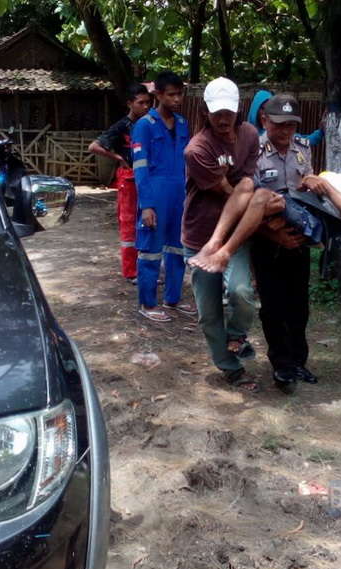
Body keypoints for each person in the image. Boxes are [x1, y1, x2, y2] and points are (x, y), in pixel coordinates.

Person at [252, 94, 341, 393]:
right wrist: (274, 235)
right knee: (272, 306)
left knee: (298, 305)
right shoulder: (254, 151)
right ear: (265, 121)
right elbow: (250, 205)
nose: (285, 131)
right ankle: (281, 365)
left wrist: (313, 186)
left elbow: (306, 196)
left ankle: (299, 361)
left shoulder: (302, 147)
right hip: (268, 239)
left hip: (299, 239)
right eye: (279, 124)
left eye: (291, 125)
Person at [183, 77, 272, 391]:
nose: (223, 119)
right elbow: (228, 191)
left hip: (236, 235)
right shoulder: (197, 149)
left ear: (238, 110)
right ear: (205, 111)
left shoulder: (249, 135)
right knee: (208, 314)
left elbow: (247, 181)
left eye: (229, 113)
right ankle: (230, 367)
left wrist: (249, 206)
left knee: (241, 292)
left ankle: (237, 335)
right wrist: (252, 204)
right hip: (200, 234)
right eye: (217, 113)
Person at [188, 157, 341, 273]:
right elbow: (304, 187)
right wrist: (309, 181)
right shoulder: (331, 173)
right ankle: (214, 242)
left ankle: (224, 253)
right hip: (296, 203)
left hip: (312, 221)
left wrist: (326, 186)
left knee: (262, 196)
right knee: (246, 183)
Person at [131, 71, 196, 322]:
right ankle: (147, 304)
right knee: (150, 250)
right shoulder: (144, 125)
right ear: (158, 94)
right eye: (171, 95)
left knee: (177, 248)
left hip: (179, 195)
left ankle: (173, 299)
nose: (177, 99)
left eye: (180, 94)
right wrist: (147, 205)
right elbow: (140, 168)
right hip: (154, 195)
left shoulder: (182, 123)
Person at [88, 83, 152, 284]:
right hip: (129, 178)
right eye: (141, 103)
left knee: (148, 222)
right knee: (129, 224)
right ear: (130, 103)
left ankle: (146, 269)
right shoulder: (121, 126)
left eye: (148, 103)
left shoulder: (150, 124)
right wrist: (117, 157)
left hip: (147, 177)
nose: (145, 106)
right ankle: (131, 271)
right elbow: (94, 146)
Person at [248, 89, 325, 147]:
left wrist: (321, 132)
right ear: (255, 109)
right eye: (264, 108)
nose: (285, 131)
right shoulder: (246, 135)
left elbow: (302, 140)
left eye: (270, 108)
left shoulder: (277, 131)